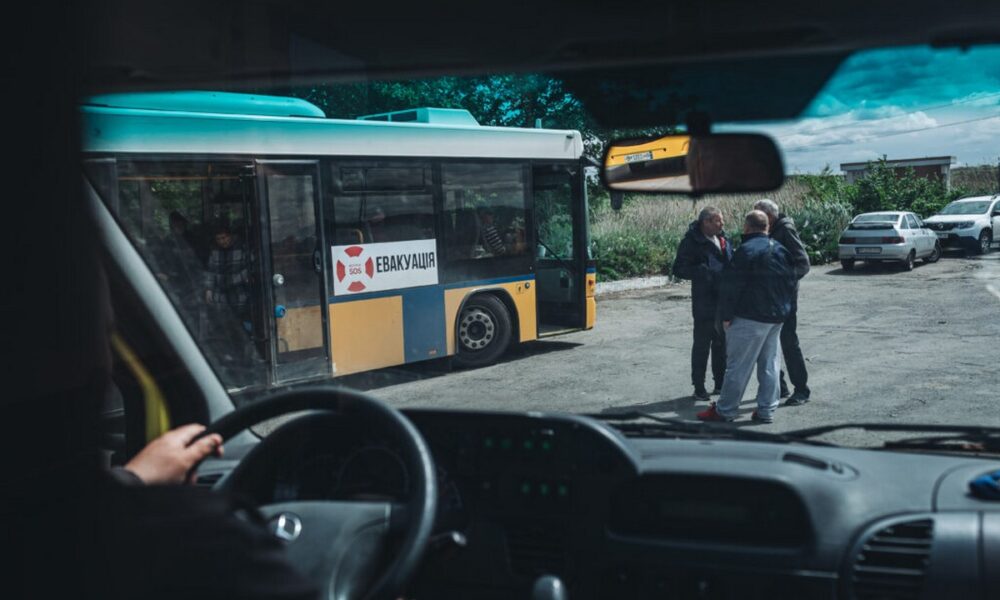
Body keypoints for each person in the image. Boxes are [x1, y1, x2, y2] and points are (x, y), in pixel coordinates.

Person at [697, 210, 797, 423]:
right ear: (767, 227)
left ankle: (725, 410)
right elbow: (792, 280)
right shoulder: (780, 249)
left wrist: (726, 315)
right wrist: (784, 309)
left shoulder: (746, 251)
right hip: (776, 317)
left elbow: (731, 287)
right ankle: (766, 411)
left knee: (738, 367)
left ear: (747, 227)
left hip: (750, 317)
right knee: (770, 365)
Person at [753, 198, 812, 405]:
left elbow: (803, 264)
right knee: (767, 344)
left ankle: (802, 390)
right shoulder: (767, 231)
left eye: (759, 215)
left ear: (769, 215)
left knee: (788, 342)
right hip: (768, 298)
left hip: (784, 298)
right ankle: (781, 387)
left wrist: (781, 283)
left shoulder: (785, 230)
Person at [671, 206, 733, 400]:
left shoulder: (723, 239)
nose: (722, 223)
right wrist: (704, 273)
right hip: (704, 301)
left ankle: (720, 384)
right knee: (702, 345)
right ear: (706, 222)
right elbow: (679, 269)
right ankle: (699, 387)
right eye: (718, 220)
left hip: (723, 300)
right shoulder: (691, 242)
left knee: (721, 344)